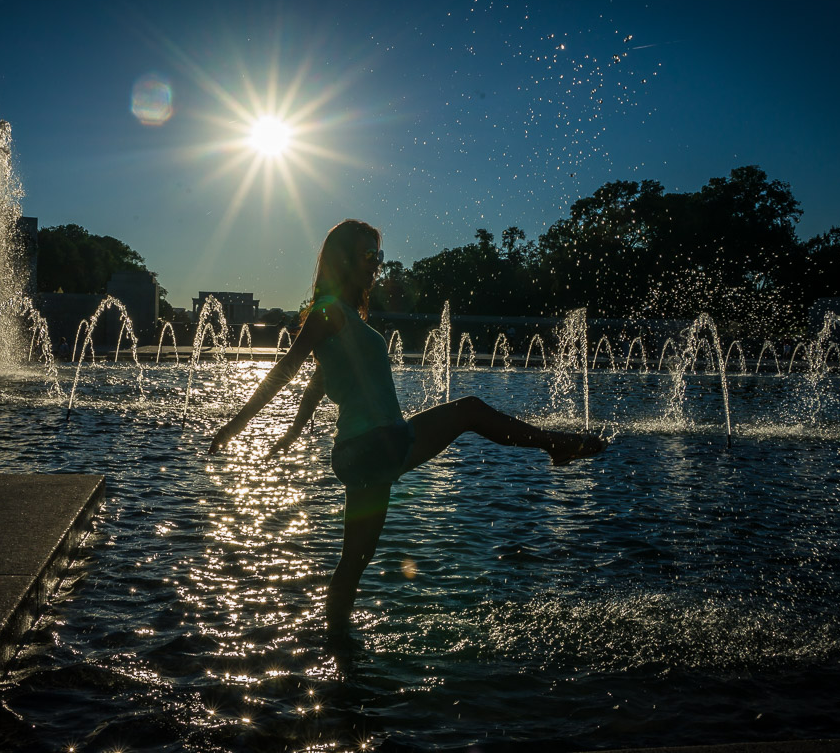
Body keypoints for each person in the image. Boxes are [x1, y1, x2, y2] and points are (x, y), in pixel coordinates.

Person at [209, 219, 605, 639]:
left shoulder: (342, 318)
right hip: (374, 445)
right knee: (468, 411)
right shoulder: (327, 311)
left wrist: (292, 433)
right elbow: (286, 369)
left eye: (378, 256)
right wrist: (236, 426)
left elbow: (316, 381)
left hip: (370, 446)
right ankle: (558, 445)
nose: (376, 264)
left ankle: (339, 650)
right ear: (342, 259)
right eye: (367, 255)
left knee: (354, 562)